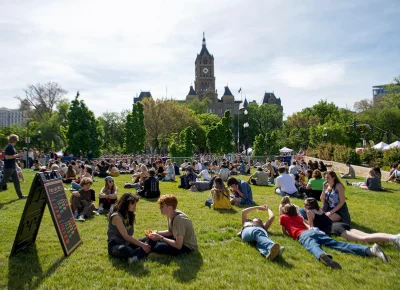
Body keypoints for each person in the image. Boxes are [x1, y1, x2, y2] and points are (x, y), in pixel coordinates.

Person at [280, 204, 389, 269]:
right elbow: (306, 224)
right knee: (338, 244)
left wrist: (288, 235)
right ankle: (370, 250)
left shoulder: (283, 217)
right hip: (313, 232)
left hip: (302, 235)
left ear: (285, 212)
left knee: (312, 246)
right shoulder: (299, 217)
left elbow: (284, 231)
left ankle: (322, 255)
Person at [305, 197, 400, 247]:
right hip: (339, 224)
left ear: (309, 205)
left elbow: (312, 228)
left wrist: (302, 221)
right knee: (366, 234)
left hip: (335, 229)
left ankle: (394, 239)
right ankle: (393, 237)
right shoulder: (319, 209)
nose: (304, 205)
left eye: (305, 204)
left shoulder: (309, 212)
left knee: (363, 239)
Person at [107, 193, 151, 263]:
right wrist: (142, 245)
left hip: (127, 243)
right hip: (116, 245)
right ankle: (141, 254)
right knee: (125, 249)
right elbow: (126, 236)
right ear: (125, 203)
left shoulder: (130, 214)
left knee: (149, 239)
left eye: (135, 203)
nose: (135, 206)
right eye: (132, 204)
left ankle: (136, 255)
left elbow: (129, 237)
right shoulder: (117, 216)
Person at [0, 134, 26, 199]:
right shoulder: (9, 147)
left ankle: (21, 195)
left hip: (12, 167)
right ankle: (21, 195)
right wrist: (17, 155)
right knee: (3, 181)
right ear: (14, 140)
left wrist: (17, 156)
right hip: (8, 167)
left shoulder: (11, 147)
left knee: (16, 181)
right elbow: (7, 157)